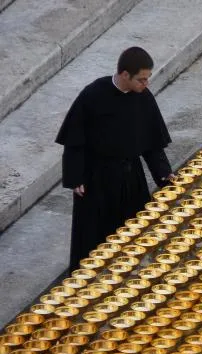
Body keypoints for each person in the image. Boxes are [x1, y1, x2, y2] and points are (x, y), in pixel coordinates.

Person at [55, 47, 175, 271]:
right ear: (124, 75)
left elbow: (152, 144)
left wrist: (164, 172)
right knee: (93, 238)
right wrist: (75, 177)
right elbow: (75, 141)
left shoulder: (143, 98)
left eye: (147, 79)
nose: (146, 84)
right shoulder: (93, 95)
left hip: (131, 177)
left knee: (132, 234)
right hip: (97, 178)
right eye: (141, 79)